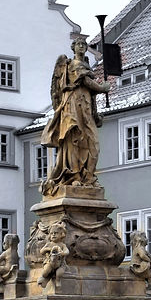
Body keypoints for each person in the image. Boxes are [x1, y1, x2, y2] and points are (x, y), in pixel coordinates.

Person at [40, 37, 111, 196]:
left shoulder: (86, 65)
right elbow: (84, 81)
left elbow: (91, 95)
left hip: (85, 107)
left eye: (84, 44)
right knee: (73, 140)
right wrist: (102, 88)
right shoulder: (71, 65)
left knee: (92, 142)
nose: (82, 47)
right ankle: (74, 175)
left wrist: (95, 114)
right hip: (72, 106)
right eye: (79, 44)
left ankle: (88, 176)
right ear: (73, 48)